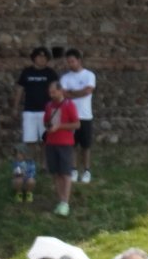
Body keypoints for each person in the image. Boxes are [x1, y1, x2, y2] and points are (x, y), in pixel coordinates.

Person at [14, 47, 58, 171]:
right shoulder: (26, 72)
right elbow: (19, 90)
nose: (42, 59)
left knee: (46, 140)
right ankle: (31, 164)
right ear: (34, 58)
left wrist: (55, 109)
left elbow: (54, 90)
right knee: (30, 140)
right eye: (39, 56)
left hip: (46, 111)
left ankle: (44, 164)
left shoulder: (50, 73)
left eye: (45, 57)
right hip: (29, 111)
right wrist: (15, 107)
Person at [42, 80, 80, 217]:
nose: (51, 95)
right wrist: (49, 127)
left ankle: (66, 202)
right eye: (50, 92)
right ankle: (61, 200)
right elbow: (45, 120)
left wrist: (60, 127)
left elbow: (76, 124)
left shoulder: (69, 105)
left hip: (65, 143)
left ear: (60, 91)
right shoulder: (48, 105)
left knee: (65, 173)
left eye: (54, 92)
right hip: (51, 142)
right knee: (56, 173)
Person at [59, 47, 97, 183]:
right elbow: (63, 93)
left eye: (72, 61)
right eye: (68, 62)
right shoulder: (65, 77)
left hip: (85, 116)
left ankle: (86, 170)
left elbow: (88, 91)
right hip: (70, 116)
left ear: (79, 61)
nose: (70, 64)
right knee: (72, 145)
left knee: (85, 146)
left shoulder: (89, 75)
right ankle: (73, 169)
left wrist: (72, 93)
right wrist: (76, 92)